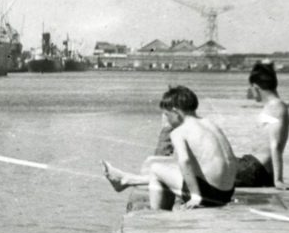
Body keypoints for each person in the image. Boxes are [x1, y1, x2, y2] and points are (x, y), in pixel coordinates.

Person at [102, 85, 237, 210]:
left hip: (210, 196)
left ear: (176, 112)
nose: (167, 121)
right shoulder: (209, 123)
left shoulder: (179, 132)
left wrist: (195, 196)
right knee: (171, 169)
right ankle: (127, 179)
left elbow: (185, 161)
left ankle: (159, 215)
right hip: (226, 192)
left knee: (155, 169)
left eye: (167, 115)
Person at [234, 62, 289, 190]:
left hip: (255, 169)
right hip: (255, 167)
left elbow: (275, 145)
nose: (250, 92)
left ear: (256, 87)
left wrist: (278, 181)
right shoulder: (273, 106)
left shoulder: (276, 107)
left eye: (251, 88)